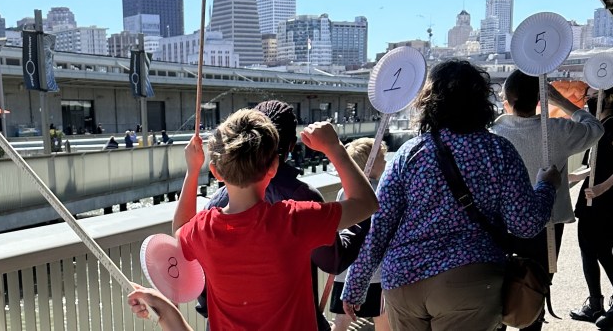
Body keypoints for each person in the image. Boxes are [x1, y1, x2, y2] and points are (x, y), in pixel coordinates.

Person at [341, 60, 559, 331]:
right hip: (469, 279)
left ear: (429, 102)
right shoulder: (499, 151)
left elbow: (379, 227)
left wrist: (354, 287)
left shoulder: (408, 154)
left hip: (403, 280)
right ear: (481, 101)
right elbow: (524, 225)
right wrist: (546, 186)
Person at [173, 109, 378, 330]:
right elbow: (366, 203)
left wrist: (192, 171)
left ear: (216, 172)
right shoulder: (294, 220)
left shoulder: (203, 230)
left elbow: (180, 230)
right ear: (273, 167)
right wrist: (334, 148)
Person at [490, 70, 603, 331]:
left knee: (497, 291)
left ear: (507, 99)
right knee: (535, 288)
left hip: (503, 224)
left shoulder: (494, 134)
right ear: (540, 99)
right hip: (548, 223)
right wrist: (561, 101)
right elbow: (596, 129)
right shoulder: (556, 130)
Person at [569, 86, 613, 328]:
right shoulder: (607, 124)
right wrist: (576, 177)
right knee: (592, 248)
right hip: (600, 199)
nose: (587, 99)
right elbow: (603, 163)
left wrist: (602, 188)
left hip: (603, 201)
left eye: (592, 95)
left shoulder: (612, 125)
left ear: (607, 98)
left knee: (595, 248)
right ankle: (599, 302)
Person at [330, 138, 389, 331]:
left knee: (341, 319)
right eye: (382, 157)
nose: (386, 161)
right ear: (369, 162)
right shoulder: (380, 191)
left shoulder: (343, 191)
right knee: (382, 318)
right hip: (375, 271)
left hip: (346, 269)